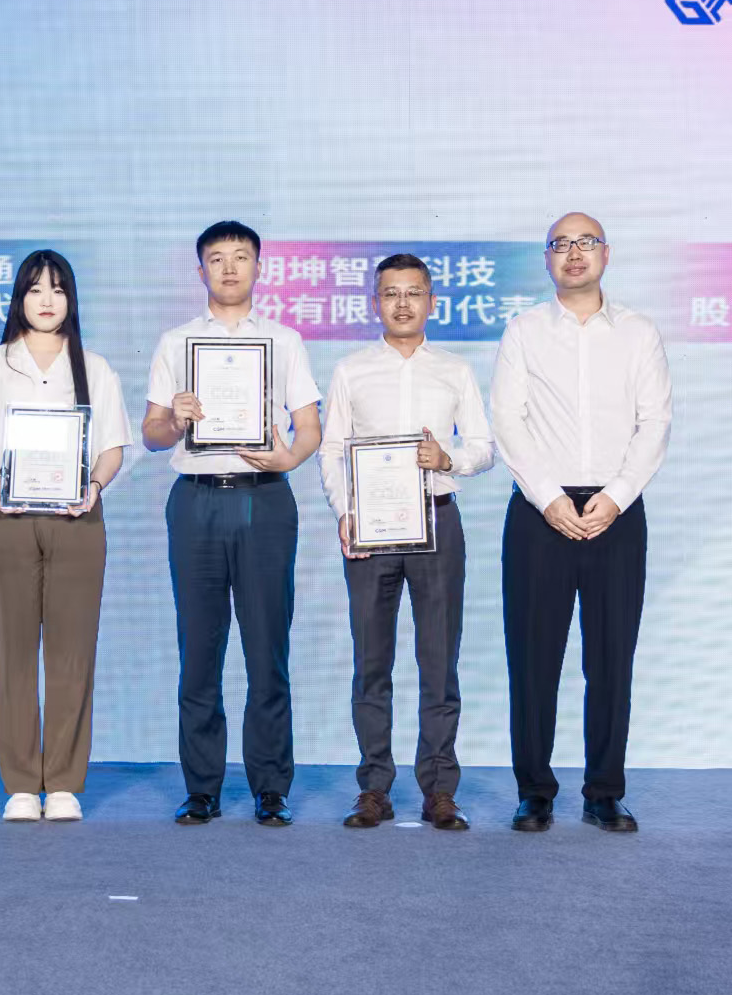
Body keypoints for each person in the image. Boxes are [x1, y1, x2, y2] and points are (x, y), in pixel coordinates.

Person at [490, 213, 672, 834]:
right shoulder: (524, 331)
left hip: (616, 513)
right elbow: (508, 420)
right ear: (547, 259)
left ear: (606, 254)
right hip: (540, 514)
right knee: (532, 660)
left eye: (585, 242)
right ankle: (533, 792)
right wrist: (547, 498)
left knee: (612, 659)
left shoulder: (639, 332)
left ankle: (604, 792)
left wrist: (617, 496)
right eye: (561, 244)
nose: (574, 253)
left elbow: (655, 422)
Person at [142, 221, 322, 826]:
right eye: (216, 258)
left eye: (240, 257)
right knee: (199, 648)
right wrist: (174, 418)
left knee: (267, 645)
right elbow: (151, 434)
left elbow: (309, 427)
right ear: (200, 271)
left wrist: (288, 459)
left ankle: (271, 787)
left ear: (259, 267)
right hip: (195, 500)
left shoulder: (283, 340)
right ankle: (202, 789)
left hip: (263, 498)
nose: (228, 268)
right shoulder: (177, 343)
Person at [0, 251, 131, 823]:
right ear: (18, 299)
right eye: (35, 289)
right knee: (13, 653)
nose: (47, 300)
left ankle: (65, 782)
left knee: (73, 653)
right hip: (8, 518)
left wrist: (94, 485)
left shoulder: (94, 367)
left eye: (58, 289)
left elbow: (112, 447)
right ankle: (23, 783)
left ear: (71, 299)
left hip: (78, 519)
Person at [318, 253, 494, 831]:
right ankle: (374, 788)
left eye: (413, 292)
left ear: (431, 302)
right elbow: (332, 449)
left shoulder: (455, 370)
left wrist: (448, 458)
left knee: (439, 662)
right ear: (375, 302)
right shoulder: (351, 370)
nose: (402, 303)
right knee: (371, 662)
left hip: (437, 523)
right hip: (371, 529)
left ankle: (440, 790)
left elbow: (484, 448)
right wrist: (345, 511)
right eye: (391, 293)